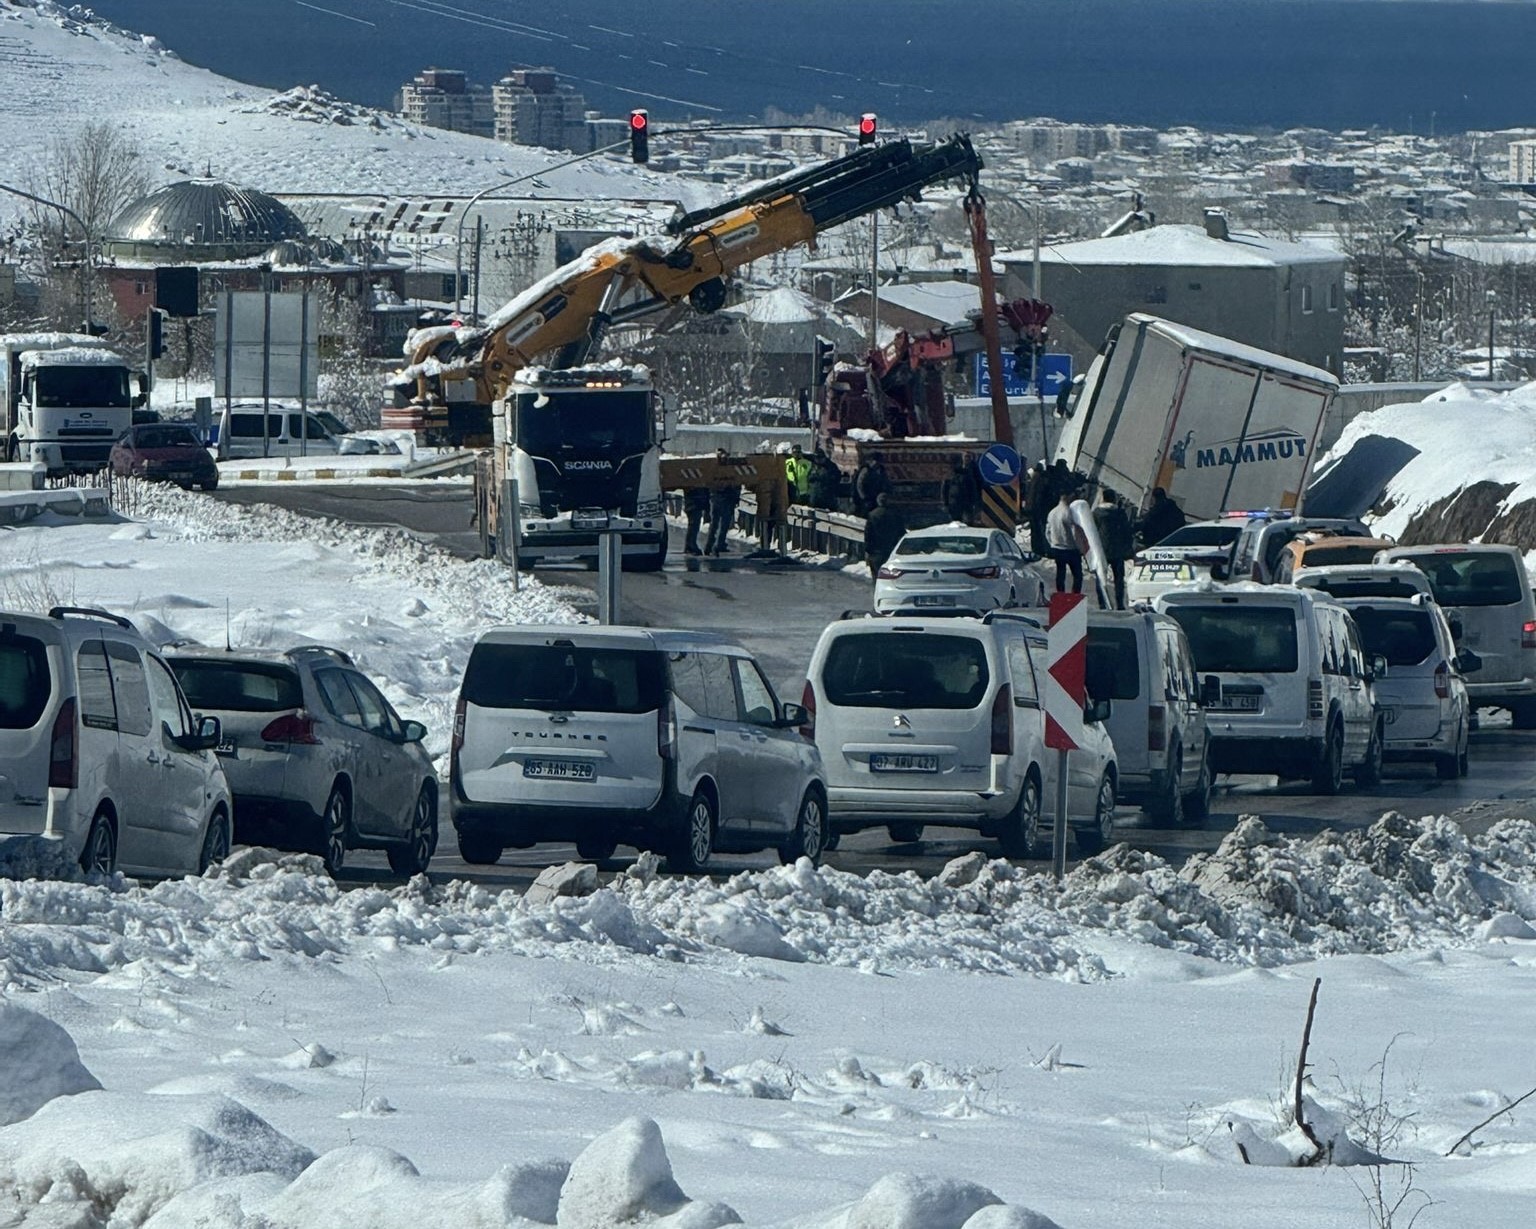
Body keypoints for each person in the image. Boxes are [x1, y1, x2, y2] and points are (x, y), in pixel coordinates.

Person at [1092, 487, 1135, 609]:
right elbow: (1126, 531)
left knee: (1100, 577)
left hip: (1101, 550)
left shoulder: (1096, 513)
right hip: (1117, 550)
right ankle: (1120, 603)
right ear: (1114, 500)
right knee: (1119, 579)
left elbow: (1092, 532)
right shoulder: (1120, 514)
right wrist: (1128, 547)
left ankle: (1102, 603)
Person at [1045, 490, 1084, 594]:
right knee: (1077, 575)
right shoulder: (1068, 512)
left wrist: (1052, 543)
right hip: (1071, 549)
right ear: (1067, 497)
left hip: (1057, 548)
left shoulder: (1052, 512)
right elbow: (1074, 532)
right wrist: (1080, 547)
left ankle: (1060, 593)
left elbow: (1047, 531)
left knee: (1060, 573)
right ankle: (1075, 594)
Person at [705, 448, 741, 556]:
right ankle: (718, 545)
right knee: (723, 524)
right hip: (726, 499)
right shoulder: (731, 470)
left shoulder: (712, 469)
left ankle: (709, 546)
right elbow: (736, 484)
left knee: (714, 524)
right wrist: (736, 498)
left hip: (715, 498)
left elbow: (708, 483)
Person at [863, 493, 907, 579]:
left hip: (876, 551)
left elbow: (868, 534)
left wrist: (868, 550)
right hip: (891, 550)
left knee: (877, 576)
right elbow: (901, 532)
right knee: (890, 576)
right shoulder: (895, 514)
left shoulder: (872, 515)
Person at [941, 454, 980, 524]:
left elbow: (973, 491)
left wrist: (973, 504)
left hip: (964, 505)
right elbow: (944, 491)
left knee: (965, 524)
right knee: (957, 524)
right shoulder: (951, 476)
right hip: (955, 506)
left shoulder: (967, 475)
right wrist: (945, 504)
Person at [1023, 460, 1048, 555]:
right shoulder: (1039, 479)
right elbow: (1036, 495)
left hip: (1032, 508)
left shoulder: (1033, 479)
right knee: (1039, 529)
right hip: (1037, 508)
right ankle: (1040, 549)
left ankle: (1036, 549)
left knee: (1035, 530)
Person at [682, 485, 711, 556]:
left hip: (693, 503)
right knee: (694, 525)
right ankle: (691, 545)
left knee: (693, 525)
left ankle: (689, 545)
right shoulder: (695, 483)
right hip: (694, 504)